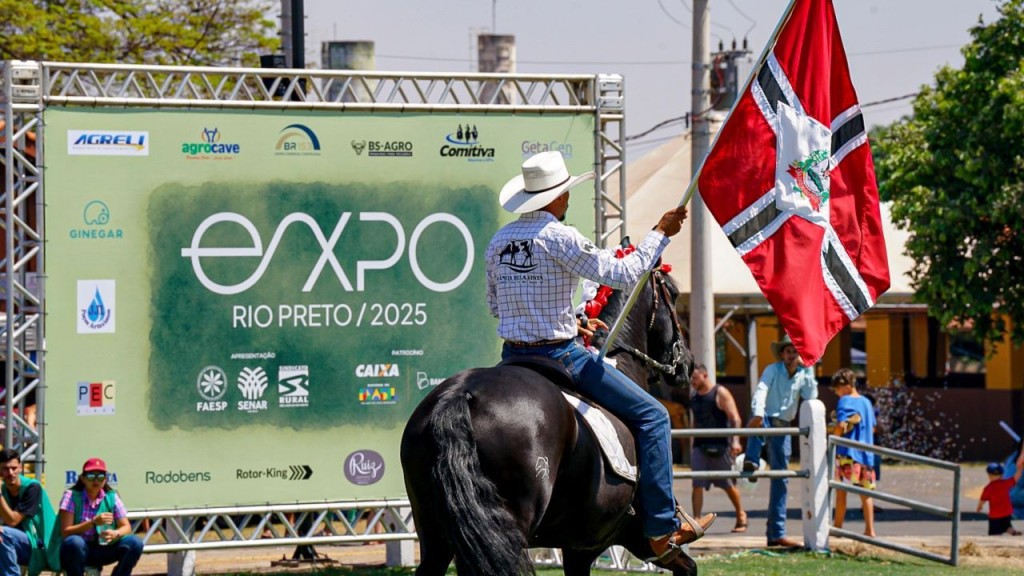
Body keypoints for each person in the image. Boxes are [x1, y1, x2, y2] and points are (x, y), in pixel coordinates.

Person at [486, 151, 715, 560]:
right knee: (653, 416)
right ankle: (661, 527)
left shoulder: (498, 241)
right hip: (560, 357)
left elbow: (496, 306)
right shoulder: (560, 236)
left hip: (512, 359)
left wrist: (572, 321)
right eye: (566, 192)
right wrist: (660, 233)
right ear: (558, 197)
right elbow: (624, 273)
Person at [742, 333, 818, 548]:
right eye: (788, 351)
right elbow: (762, 389)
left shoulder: (803, 374)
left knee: (781, 478)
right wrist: (758, 413)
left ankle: (776, 533)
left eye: (795, 351)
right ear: (782, 354)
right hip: (766, 416)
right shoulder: (772, 369)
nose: (791, 355)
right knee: (758, 420)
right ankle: (751, 461)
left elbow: (811, 395)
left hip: (784, 424)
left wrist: (809, 367)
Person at [688, 364, 748, 532]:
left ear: (705, 376)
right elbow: (695, 421)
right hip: (700, 445)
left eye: (695, 378)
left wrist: (735, 441)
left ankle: (741, 515)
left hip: (721, 445)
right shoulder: (694, 396)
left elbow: (735, 418)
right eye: (691, 379)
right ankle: (696, 522)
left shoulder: (720, 392)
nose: (692, 382)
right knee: (697, 483)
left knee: (728, 484)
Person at [58, 458, 144, 576]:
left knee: (135, 543)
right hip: (78, 550)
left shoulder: (112, 496)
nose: (96, 480)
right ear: (83, 478)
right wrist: (93, 522)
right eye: (91, 476)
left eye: (100, 476)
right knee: (74, 542)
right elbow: (65, 532)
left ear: (105, 479)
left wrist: (115, 533)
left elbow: (126, 527)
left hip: (104, 549)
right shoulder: (71, 496)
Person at [829, 368, 877, 537]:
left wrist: (833, 438)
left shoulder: (845, 401)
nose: (837, 393)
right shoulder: (866, 402)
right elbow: (873, 427)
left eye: (837, 389)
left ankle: (838, 527)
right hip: (866, 454)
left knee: (841, 491)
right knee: (866, 493)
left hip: (847, 452)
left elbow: (841, 425)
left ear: (847, 386)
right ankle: (870, 530)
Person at [0, 448, 61, 576]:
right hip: (17, 543)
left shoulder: (32, 487)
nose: (10, 473)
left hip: (41, 547)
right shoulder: (4, 489)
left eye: (14, 468)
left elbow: (12, 520)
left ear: (20, 468)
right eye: (5, 469)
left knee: (4, 534)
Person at [978, 462, 1023, 535]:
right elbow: (1016, 478)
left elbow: (983, 499)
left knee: (994, 532)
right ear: (1001, 475)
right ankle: (1011, 530)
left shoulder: (988, 488)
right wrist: (1020, 469)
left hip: (995, 515)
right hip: (1006, 512)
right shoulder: (1005, 484)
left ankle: (1000, 534)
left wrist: (979, 507)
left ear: (989, 475)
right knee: (1006, 524)